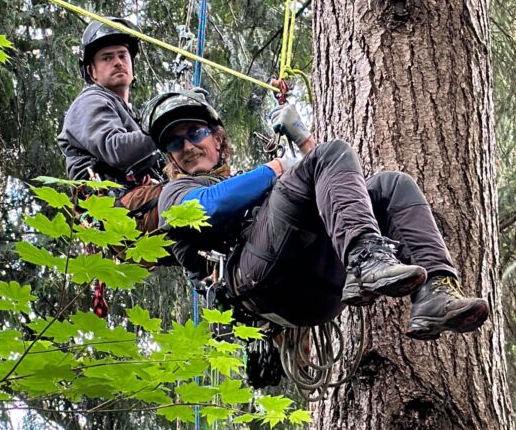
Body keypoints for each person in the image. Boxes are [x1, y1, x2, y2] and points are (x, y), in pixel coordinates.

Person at [141, 89, 489, 340]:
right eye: (175, 143)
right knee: (330, 154)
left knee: (391, 186)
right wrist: (277, 167)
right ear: (170, 157)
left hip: (315, 286)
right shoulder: (175, 193)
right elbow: (210, 206)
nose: (188, 146)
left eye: (195, 133)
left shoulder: (243, 185)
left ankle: (435, 290)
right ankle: (366, 260)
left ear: (217, 139)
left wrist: (305, 142)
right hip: (258, 281)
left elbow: (335, 191)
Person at [58, 19, 159, 186]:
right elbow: (116, 150)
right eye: (107, 58)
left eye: (122, 55)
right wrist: (166, 129)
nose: (118, 62)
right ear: (91, 71)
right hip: (107, 197)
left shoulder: (127, 114)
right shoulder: (90, 101)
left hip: (137, 195)